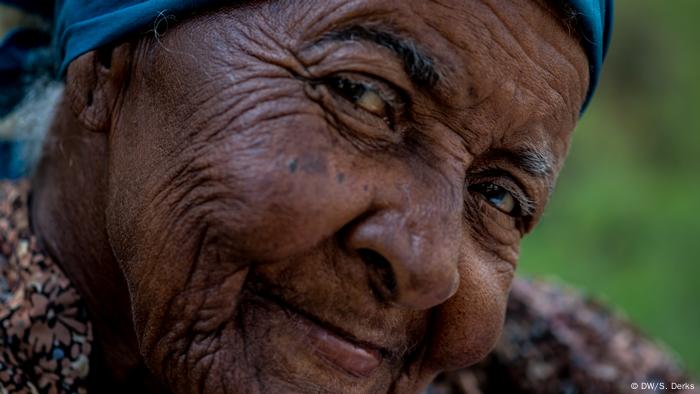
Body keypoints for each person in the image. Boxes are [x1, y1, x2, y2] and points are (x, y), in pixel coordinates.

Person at [0, 0, 691, 393]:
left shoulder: (544, 367)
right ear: (107, 67)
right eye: (362, 96)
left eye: (501, 196)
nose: (428, 266)